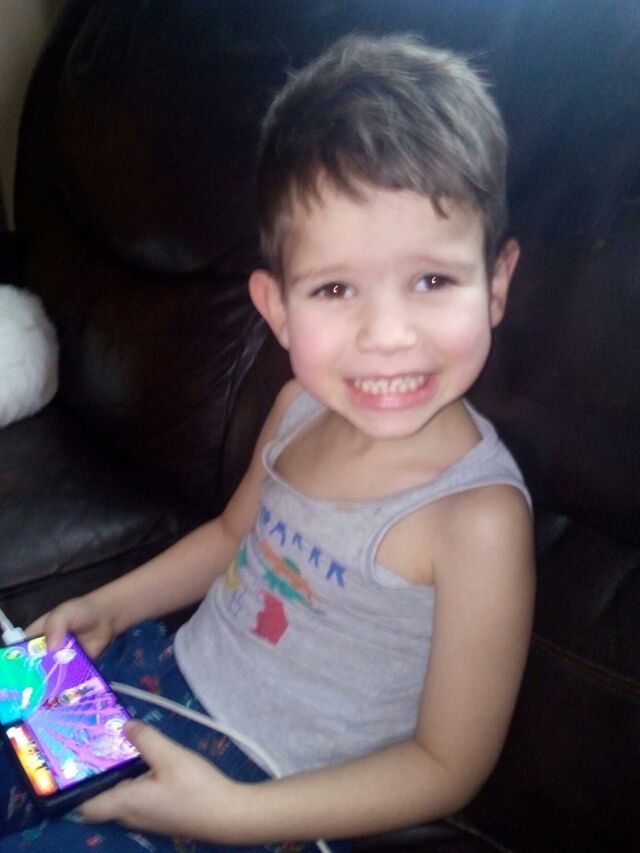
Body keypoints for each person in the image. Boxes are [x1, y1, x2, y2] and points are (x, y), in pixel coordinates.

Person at [0, 33, 535, 852]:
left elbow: (446, 765)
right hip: (158, 678)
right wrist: (109, 605)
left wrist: (231, 813)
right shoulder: (294, 409)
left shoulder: (478, 521)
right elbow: (228, 536)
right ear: (276, 307)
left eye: (432, 279)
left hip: (269, 797)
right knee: (16, 691)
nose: (387, 335)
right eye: (335, 287)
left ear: (495, 284)